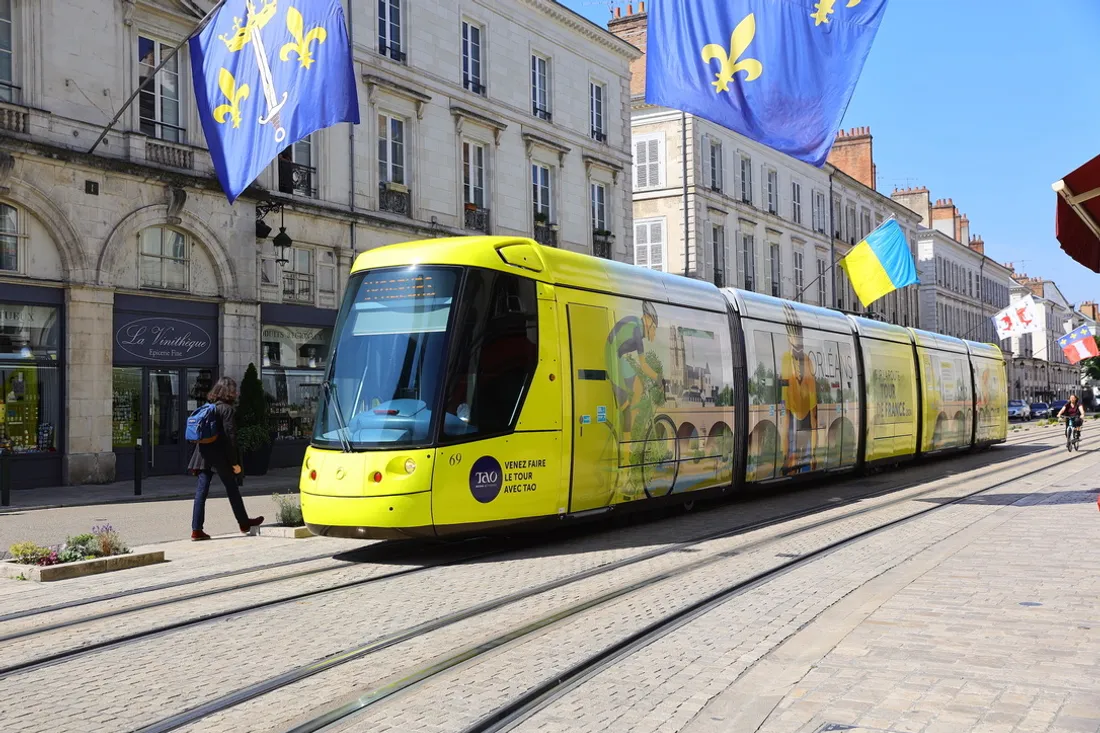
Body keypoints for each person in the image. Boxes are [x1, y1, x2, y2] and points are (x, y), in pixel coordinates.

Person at [188, 377, 263, 541]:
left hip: (202, 455)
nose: (236, 393)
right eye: (234, 390)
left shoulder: (209, 407)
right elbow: (231, 438)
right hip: (219, 457)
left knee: (201, 492)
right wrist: (235, 462)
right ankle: (244, 523)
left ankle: (196, 530)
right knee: (232, 489)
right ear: (228, 392)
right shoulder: (227, 410)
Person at [605, 301, 660, 434]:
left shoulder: (635, 325)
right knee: (626, 409)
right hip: (612, 358)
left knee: (639, 387)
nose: (653, 332)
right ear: (646, 319)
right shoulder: (636, 330)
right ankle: (626, 451)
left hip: (617, 356)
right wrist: (659, 379)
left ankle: (630, 423)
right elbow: (644, 366)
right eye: (653, 327)